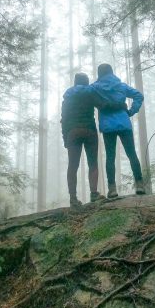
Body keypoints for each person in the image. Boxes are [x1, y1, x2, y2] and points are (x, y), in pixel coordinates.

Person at [61, 72, 125, 207]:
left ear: (75, 82)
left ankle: (73, 198)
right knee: (93, 163)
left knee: (73, 165)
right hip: (89, 130)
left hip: (73, 132)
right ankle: (94, 194)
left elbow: (64, 119)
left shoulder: (67, 98)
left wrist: (65, 138)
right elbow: (104, 104)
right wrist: (120, 105)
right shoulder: (90, 92)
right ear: (86, 82)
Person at [91, 63, 145, 198]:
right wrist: (131, 111)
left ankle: (112, 189)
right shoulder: (120, 85)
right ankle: (139, 185)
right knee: (132, 154)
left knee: (110, 157)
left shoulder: (95, 88)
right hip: (123, 123)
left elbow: (84, 95)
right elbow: (139, 95)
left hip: (107, 126)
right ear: (111, 72)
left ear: (100, 73)